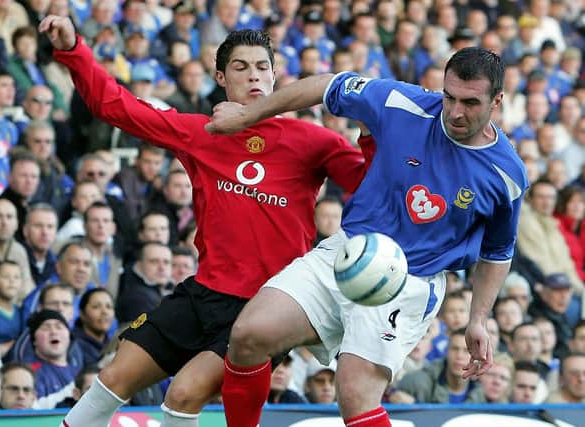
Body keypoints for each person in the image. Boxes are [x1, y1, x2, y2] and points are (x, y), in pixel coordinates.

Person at [40, 15, 367, 427]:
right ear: (219, 76)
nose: (254, 76)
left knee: (183, 393)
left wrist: (373, 132)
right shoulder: (201, 132)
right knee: (111, 378)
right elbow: (115, 105)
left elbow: (370, 185)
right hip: (203, 292)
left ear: (275, 74)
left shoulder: (315, 141)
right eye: (240, 67)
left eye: (262, 67)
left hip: (266, 309)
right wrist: (73, 49)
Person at [206, 46, 528, 427]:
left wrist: (478, 318)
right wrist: (248, 114)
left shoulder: (506, 174)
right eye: (449, 97)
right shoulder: (401, 103)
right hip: (350, 249)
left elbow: (497, 251)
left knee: (355, 394)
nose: (456, 112)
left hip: (410, 281)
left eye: (470, 102)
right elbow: (327, 86)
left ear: (497, 101)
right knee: (248, 335)